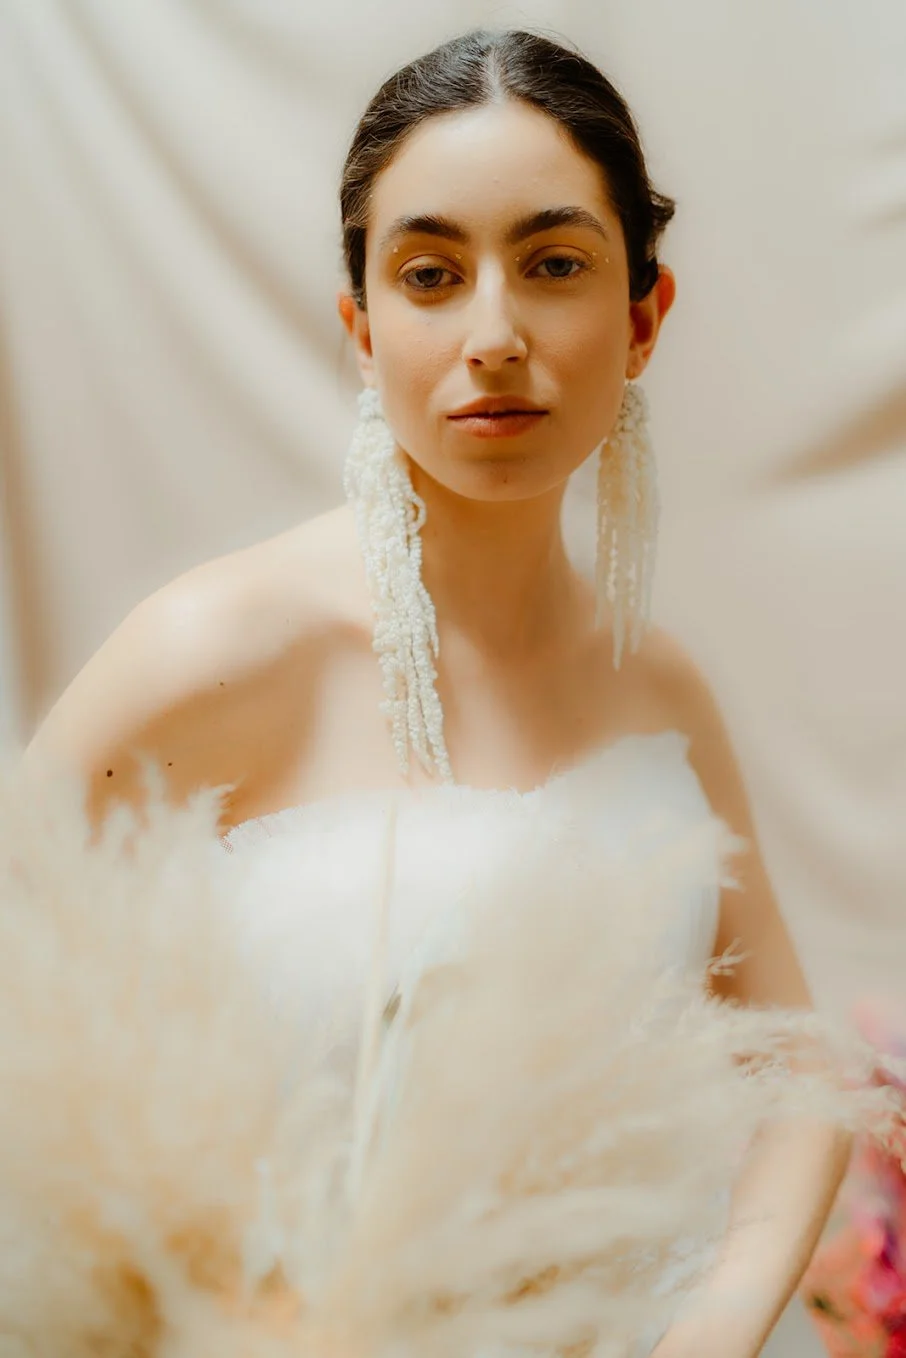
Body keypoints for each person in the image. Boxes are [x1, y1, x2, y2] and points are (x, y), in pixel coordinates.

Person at [24, 28, 851, 1358]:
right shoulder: (222, 647)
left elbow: (802, 1067)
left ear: (643, 316)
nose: (493, 334)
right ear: (360, 325)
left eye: (553, 264)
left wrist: (711, 1328)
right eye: (427, 274)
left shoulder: (658, 686)